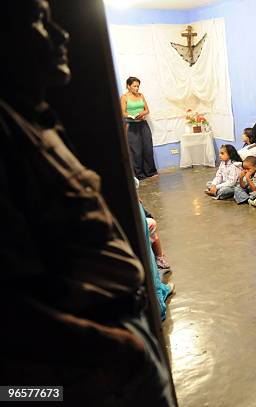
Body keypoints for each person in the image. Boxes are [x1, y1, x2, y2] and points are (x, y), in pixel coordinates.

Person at [0, 1, 175, 404]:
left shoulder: (35, 121)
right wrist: (112, 348)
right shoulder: (5, 134)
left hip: (112, 342)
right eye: (40, 20)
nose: (62, 35)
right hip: (80, 366)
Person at [121, 76, 158, 180]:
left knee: (147, 148)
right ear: (128, 86)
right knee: (136, 151)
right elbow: (123, 112)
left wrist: (142, 113)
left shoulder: (141, 95)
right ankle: (139, 175)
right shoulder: (124, 97)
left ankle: (150, 172)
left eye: (138, 86)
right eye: (134, 86)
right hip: (131, 125)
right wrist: (130, 115)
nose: (137, 88)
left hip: (142, 124)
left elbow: (147, 110)